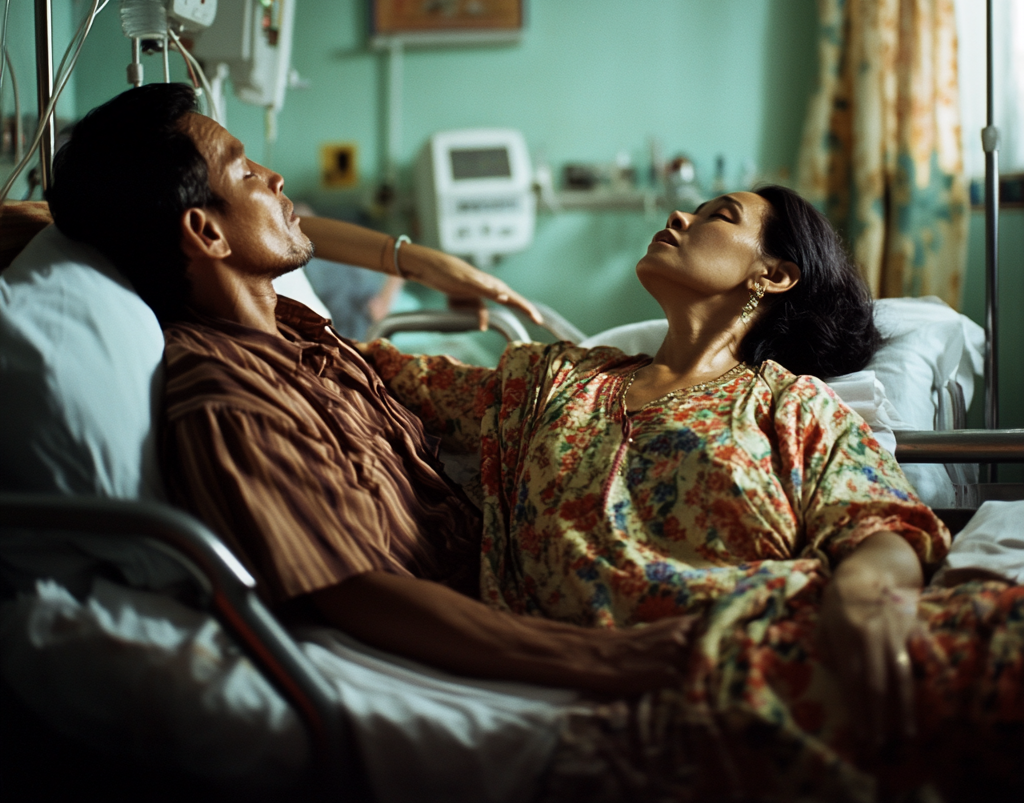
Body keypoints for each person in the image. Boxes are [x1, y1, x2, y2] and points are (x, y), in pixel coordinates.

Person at [360, 186, 1023, 801]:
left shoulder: (789, 404)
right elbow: (349, 358)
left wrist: (867, 597)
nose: (678, 218)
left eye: (718, 216)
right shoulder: (549, 381)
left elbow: (879, 522)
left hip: (828, 630)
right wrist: (403, 260)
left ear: (774, 274)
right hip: (700, 676)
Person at [46, 82, 694, 696]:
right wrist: (604, 656)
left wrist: (416, 260)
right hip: (507, 616)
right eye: (245, 172)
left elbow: (298, 230)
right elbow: (354, 592)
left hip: (531, 562)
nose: (274, 178)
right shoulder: (229, 401)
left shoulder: (303, 338)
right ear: (206, 233)